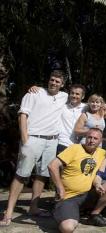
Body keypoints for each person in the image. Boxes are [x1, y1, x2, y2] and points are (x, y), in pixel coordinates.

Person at [0, 70, 68, 226]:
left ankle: (33, 208)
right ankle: (8, 213)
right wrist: (25, 140)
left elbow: (81, 102)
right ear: (48, 80)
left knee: (42, 175)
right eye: (52, 80)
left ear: (62, 84)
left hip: (52, 141)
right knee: (21, 175)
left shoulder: (64, 97)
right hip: (33, 139)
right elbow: (23, 115)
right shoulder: (34, 93)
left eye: (58, 82)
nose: (54, 83)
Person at [47, 128, 106, 232]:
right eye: (89, 137)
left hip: (88, 195)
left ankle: (93, 215)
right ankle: (65, 212)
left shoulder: (102, 153)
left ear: (100, 141)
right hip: (69, 197)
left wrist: (98, 184)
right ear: (85, 138)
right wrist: (60, 188)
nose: (92, 140)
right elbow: (52, 166)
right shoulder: (74, 148)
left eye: (95, 138)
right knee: (67, 228)